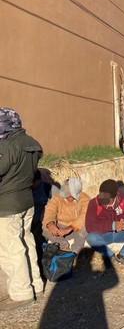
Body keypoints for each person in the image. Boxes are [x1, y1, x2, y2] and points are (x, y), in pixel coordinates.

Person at [0, 108, 44, 311]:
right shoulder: (31, 142)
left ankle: (21, 293)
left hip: (7, 204)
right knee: (27, 242)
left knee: (11, 249)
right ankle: (36, 284)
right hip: (26, 200)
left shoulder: (7, 145)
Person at [85, 179, 124, 268]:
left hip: (122, 234)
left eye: (106, 197)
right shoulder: (94, 203)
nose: (102, 198)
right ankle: (110, 255)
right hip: (104, 235)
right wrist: (112, 225)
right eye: (101, 195)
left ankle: (123, 255)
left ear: (114, 196)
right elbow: (89, 226)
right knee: (91, 237)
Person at [42, 178, 90, 254]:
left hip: (75, 228)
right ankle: (63, 246)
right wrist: (51, 223)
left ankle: (75, 252)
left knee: (85, 227)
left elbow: (84, 215)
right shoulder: (57, 197)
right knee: (45, 227)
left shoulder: (84, 198)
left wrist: (70, 228)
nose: (68, 195)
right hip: (60, 228)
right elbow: (50, 210)